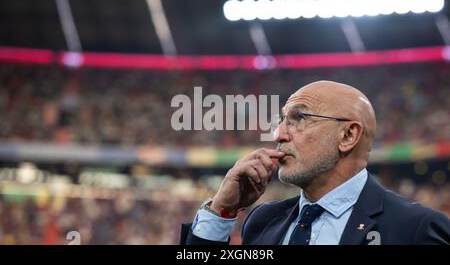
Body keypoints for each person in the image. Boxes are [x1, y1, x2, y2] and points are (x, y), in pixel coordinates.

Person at [180, 80, 450, 245]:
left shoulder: (414, 229)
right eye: (282, 120)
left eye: (299, 119)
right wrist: (221, 211)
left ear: (348, 135)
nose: (278, 134)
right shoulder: (263, 221)